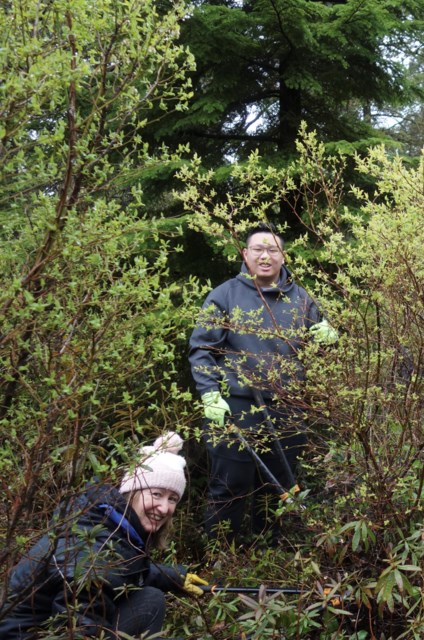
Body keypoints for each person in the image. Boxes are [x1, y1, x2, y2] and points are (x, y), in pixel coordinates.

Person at [188, 222, 338, 543]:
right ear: (245, 253)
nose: (265, 256)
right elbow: (202, 349)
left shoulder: (302, 299)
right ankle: (221, 554)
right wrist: (210, 394)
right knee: (230, 486)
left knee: (279, 488)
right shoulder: (224, 295)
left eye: (273, 250)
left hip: (288, 410)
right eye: (258, 249)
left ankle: (268, 553)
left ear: (283, 256)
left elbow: (322, 351)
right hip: (235, 408)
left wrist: (329, 338)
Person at [0, 433, 207, 639]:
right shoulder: (95, 549)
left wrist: (173, 577)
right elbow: (80, 632)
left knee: (151, 598)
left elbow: (121, 570)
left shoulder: (106, 520)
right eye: (156, 494)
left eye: (172, 499)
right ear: (132, 491)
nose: (164, 508)